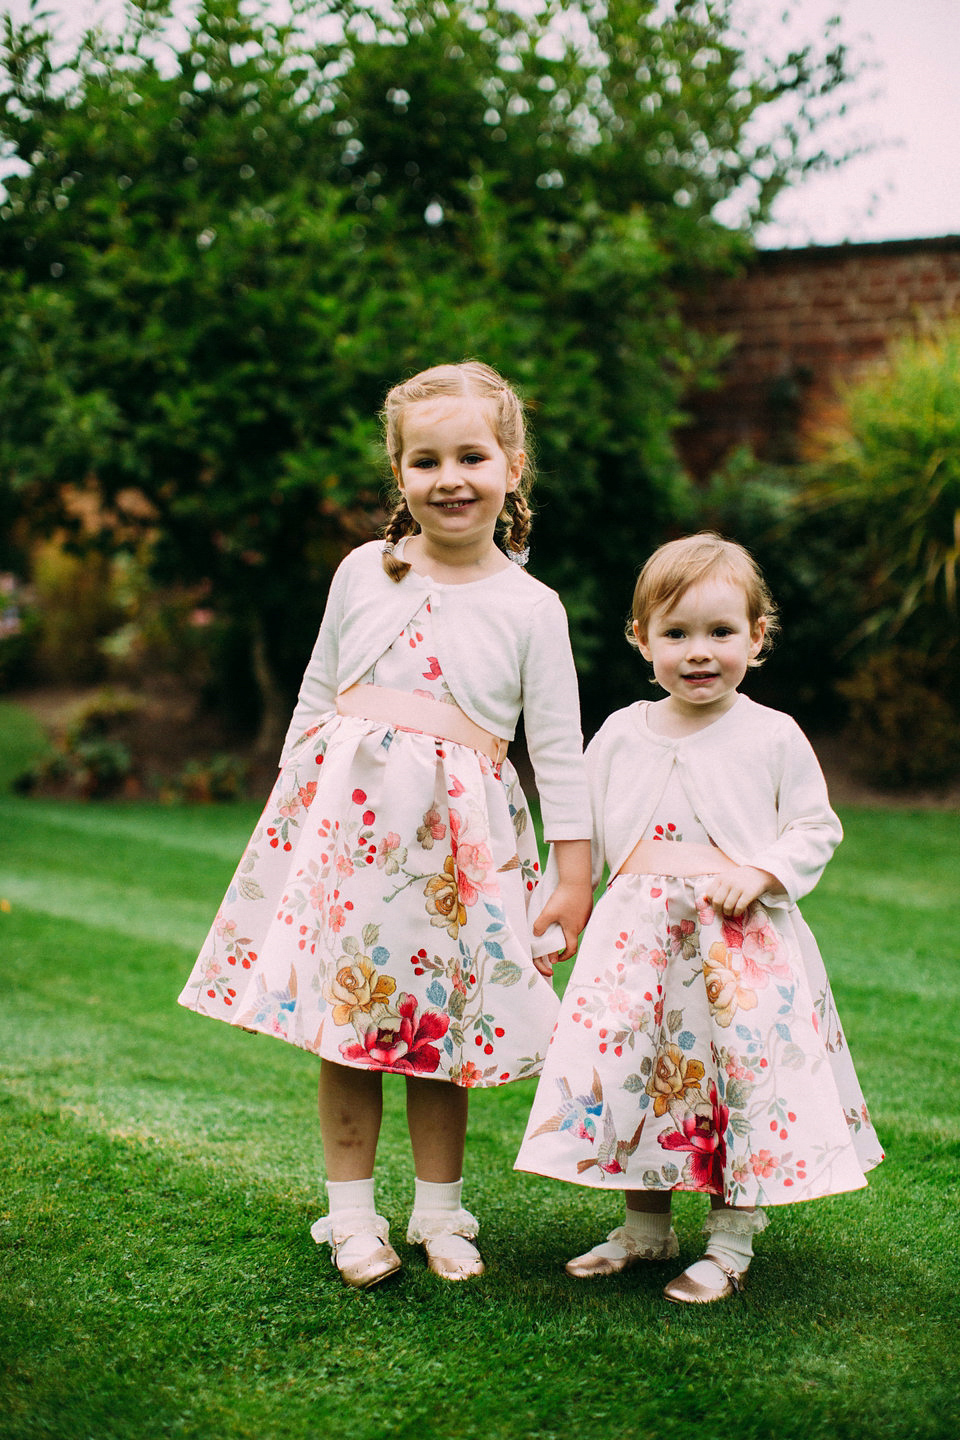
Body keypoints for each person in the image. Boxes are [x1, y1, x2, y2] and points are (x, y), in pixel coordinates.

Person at [179, 361, 592, 1288]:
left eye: (472, 456)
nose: (450, 477)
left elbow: (558, 752)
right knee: (351, 1026)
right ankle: (352, 1217)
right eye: (425, 460)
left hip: (458, 852)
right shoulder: (365, 571)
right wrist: (289, 816)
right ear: (399, 474)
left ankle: (442, 1216)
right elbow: (319, 695)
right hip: (348, 845)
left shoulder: (532, 608)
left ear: (512, 467)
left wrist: (571, 876)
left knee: (439, 1032)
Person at [515, 533, 883, 1304]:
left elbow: (815, 827)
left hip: (737, 946)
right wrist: (557, 913)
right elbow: (578, 829)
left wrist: (763, 872)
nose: (699, 652)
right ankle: (645, 1229)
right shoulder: (621, 732)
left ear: (757, 636)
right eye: (675, 633)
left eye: (721, 632)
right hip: (637, 946)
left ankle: (730, 1240)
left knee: (732, 1079)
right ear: (641, 639)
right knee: (642, 1078)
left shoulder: (772, 734)